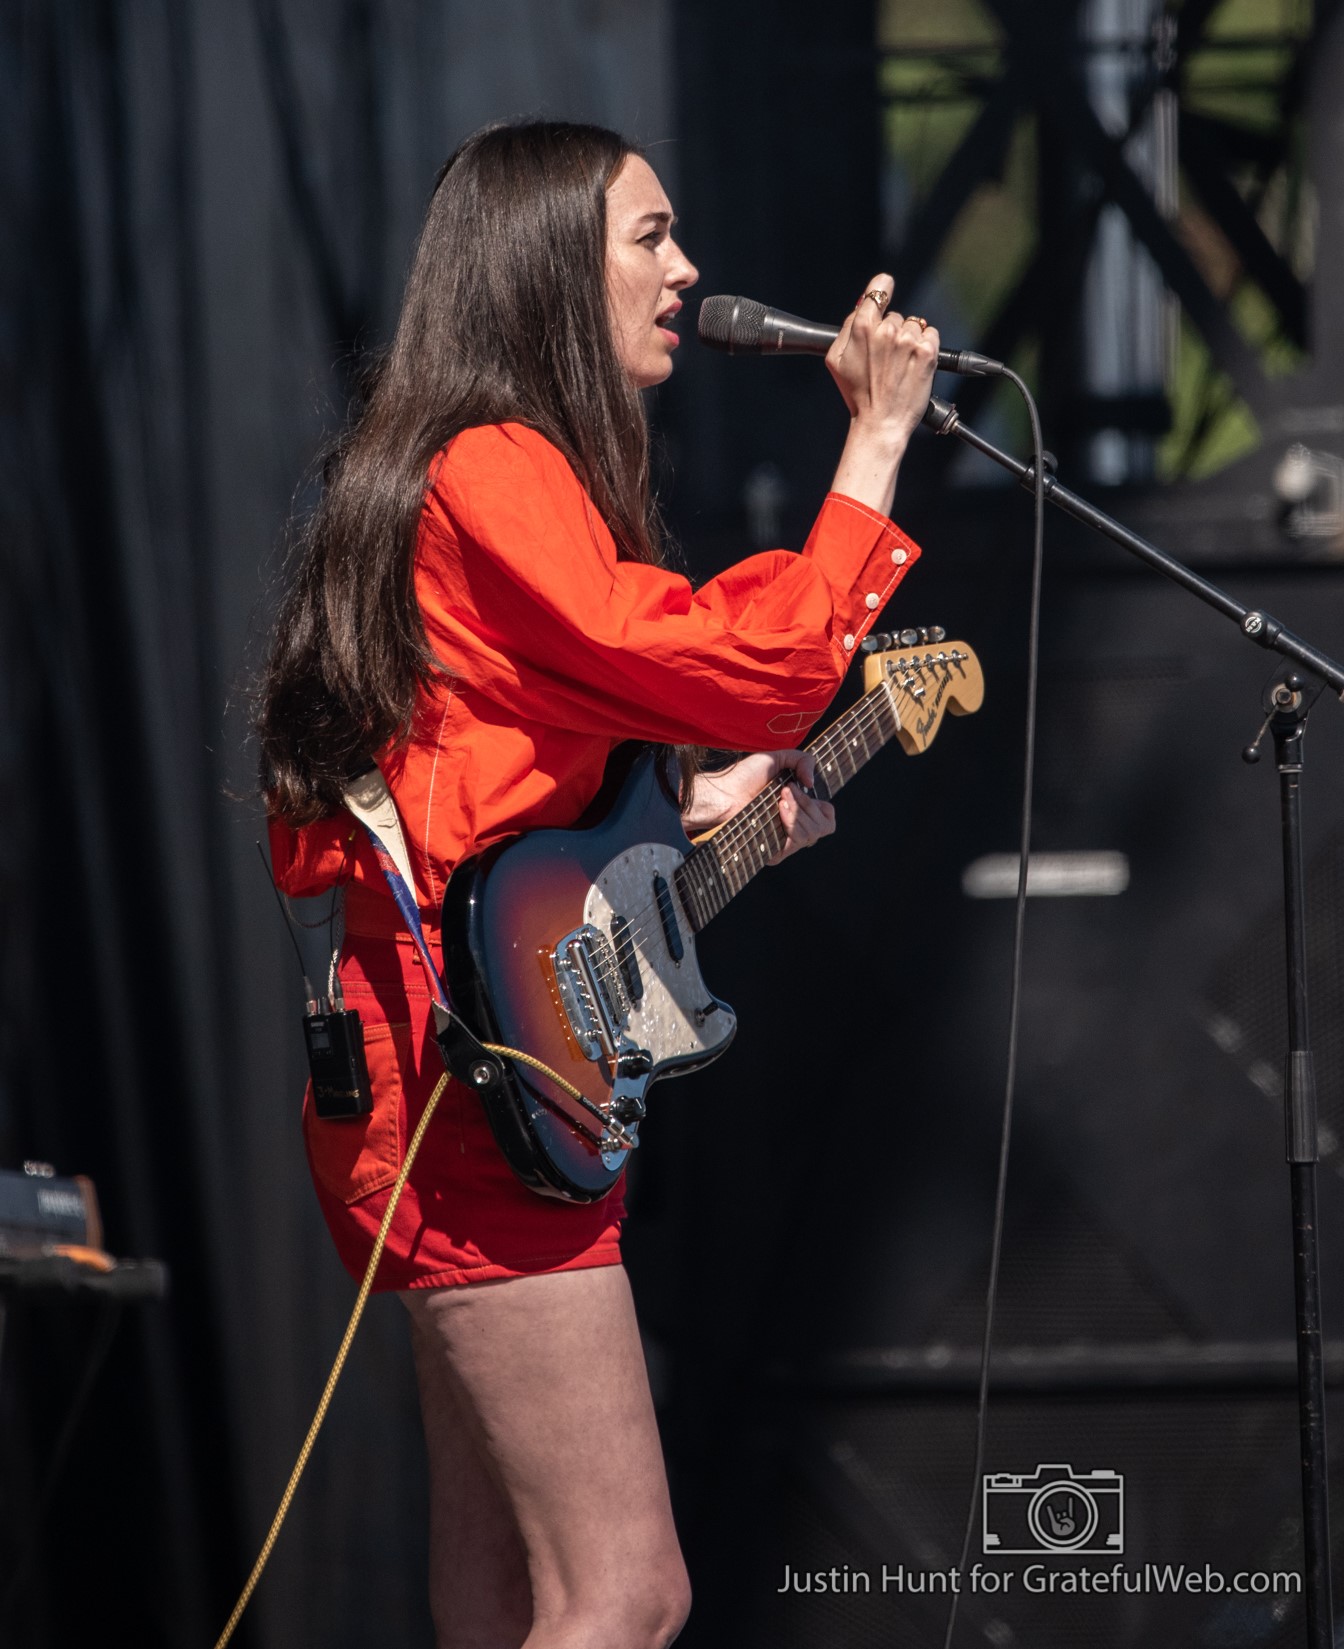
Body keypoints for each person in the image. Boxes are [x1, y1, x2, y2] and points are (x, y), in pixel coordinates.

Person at [257, 119, 938, 1649]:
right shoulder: (492, 464)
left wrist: (696, 808)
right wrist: (876, 444)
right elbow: (719, 660)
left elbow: (516, 768)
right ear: (551, 261)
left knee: (509, 1597)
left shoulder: (491, 468)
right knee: (627, 1594)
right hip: (471, 1085)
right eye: (651, 235)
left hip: (455, 1071)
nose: (688, 271)